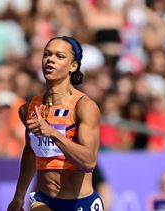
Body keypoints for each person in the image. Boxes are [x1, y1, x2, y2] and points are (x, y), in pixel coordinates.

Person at [7, 36, 104, 211]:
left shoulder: (84, 107)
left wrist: (52, 133)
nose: (50, 59)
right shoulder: (29, 109)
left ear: (73, 66)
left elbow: (89, 161)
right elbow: (30, 151)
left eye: (59, 56)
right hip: (45, 201)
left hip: (80, 203)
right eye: (47, 54)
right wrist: (19, 196)